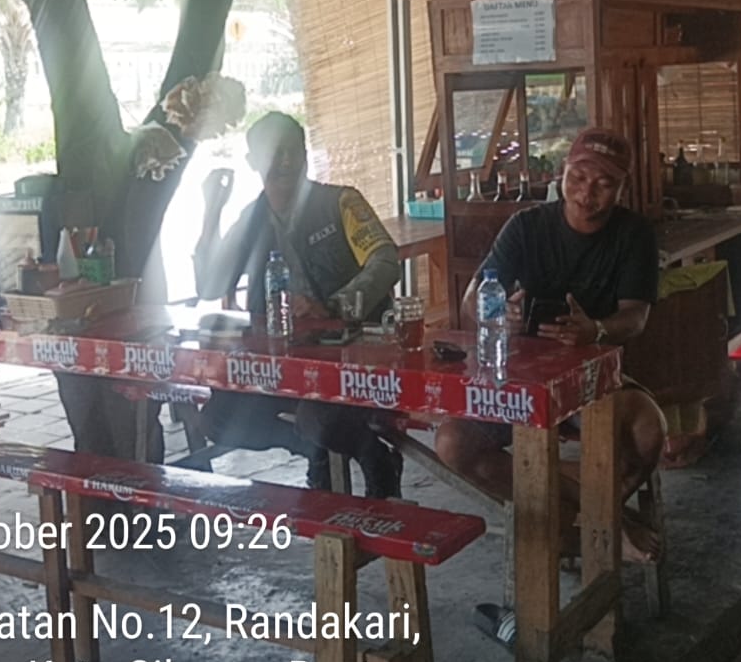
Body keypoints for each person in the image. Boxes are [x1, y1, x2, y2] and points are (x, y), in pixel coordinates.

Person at [435, 126, 667, 571]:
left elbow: (635, 317)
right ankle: (598, 523)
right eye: (578, 177)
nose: (586, 192)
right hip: (520, 376)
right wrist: (499, 316)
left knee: (647, 431)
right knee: (452, 442)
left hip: (594, 375)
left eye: (603, 183)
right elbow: (472, 300)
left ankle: (575, 527)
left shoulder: (634, 234)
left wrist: (595, 330)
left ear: (621, 188)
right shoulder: (527, 226)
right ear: (563, 172)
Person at [185, 112, 402, 497]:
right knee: (218, 420)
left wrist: (334, 306)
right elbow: (210, 285)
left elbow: (385, 261)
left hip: (350, 356)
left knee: (317, 418)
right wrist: (211, 212)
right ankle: (314, 451)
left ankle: (373, 457)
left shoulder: (340, 203)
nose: (286, 161)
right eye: (275, 152)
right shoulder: (251, 220)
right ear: (253, 161)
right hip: (281, 364)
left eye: (293, 151)